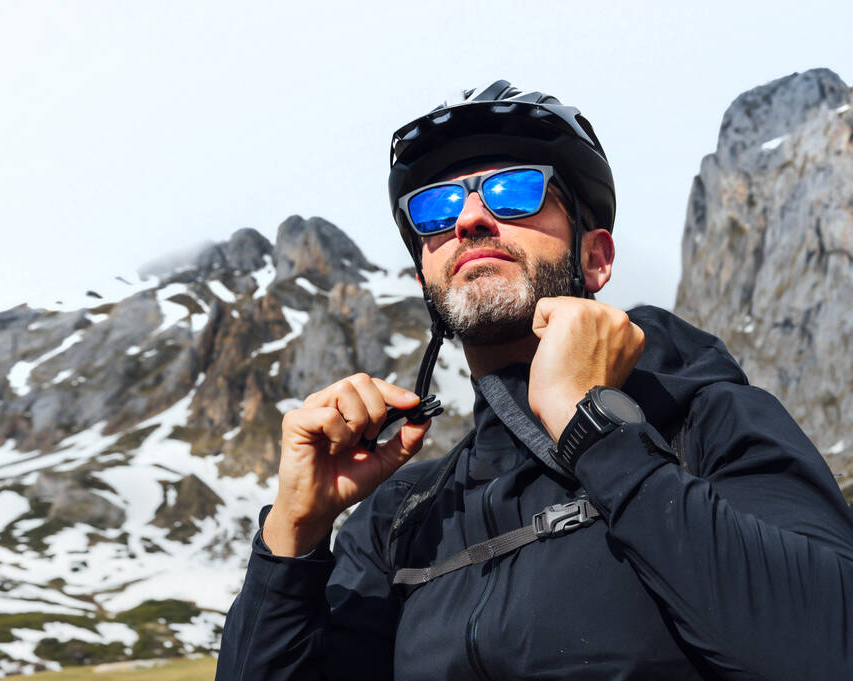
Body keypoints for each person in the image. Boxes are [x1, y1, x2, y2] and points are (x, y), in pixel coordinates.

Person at [215, 81, 853, 680]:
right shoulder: (402, 516)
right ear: (425, 283)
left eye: (514, 191)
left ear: (595, 257)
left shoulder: (706, 423)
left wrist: (594, 425)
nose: (468, 220)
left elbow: (829, 644)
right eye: (435, 208)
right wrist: (292, 537)